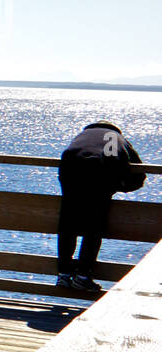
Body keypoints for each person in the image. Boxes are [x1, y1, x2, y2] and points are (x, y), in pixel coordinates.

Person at [55, 121, 146, 292]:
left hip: (69, 167)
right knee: (94, 227)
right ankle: (82, 277)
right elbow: (139, 176)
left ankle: (64, 275)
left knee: (67, 223)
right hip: (98, 170)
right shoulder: (115, 137)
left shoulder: (82, 136)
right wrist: (118, 187)